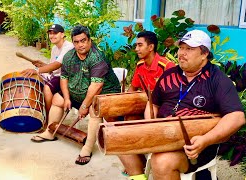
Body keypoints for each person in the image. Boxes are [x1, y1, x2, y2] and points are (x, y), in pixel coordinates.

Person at [123, 30, 245, 180]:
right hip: (163, 135)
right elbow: (153, 104)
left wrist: (205, 140)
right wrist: (151, 125)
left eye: (190, 49)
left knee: (162, 162)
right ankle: (138, 176)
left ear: (204, 54)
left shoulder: (217, 80)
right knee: (119, 137)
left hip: (196, 146)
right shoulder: (169, 75)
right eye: (181, 47)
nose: (182, 53)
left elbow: (237, 117)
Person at [30, 25, 121, 165]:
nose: (80, 45)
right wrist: (66, 98)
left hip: (102, 94)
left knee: (93, 110)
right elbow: (64, 78)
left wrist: (84, 106)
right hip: (79, 91)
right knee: (57, 99)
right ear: (73, 42)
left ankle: (87, 147)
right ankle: (50, 132)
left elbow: (96, 86)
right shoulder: (69, 56)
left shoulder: (97, 57)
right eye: (77, 42)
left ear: (89, 40)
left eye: (83, 41)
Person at [119, 31, 175, 176]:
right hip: (145, 105)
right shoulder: (140, 65)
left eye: (139, 45)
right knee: (128, 121)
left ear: (150, 47)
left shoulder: (167, 66)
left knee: (147, 122)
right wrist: (124, 103)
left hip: (163, 109)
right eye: (136, 45)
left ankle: (155, 161)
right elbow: (133, 88)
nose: (136, 49)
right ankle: (138, 164)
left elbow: (174, 95)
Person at [21, 24, 74, 121]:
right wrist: (42, 65)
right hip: (56, 76)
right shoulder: (54, 48)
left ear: (62, 34)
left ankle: (49, 119)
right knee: (34, 79)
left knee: (47, 88)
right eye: (50, 33)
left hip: (67, 78)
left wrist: (37, 70)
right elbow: (51, 69)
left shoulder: (69, 47)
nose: (52, 36)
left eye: (55, 33)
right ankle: (33, 112)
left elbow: (57, 65)